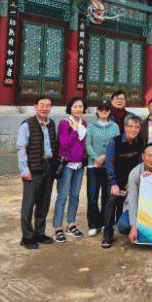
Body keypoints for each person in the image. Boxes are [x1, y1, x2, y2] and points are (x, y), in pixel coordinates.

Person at [17, 97, 58, 249]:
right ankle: (27, 237)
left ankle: (39, 233)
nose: (44, 108)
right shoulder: (27, 125)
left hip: (48, 167)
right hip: (33, 169)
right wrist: (24, 170)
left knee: (43, 203)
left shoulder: (51, 124)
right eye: (41, 105)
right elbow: (21, 148)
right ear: (35, 107)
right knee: (29, 204)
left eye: (48, 105)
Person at [102, 115, 144, 248]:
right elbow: (109, 164)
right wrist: (113, 183)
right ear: (125, 127)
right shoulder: (114, 142)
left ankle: (126, 228)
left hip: (131, 181)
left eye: (136, 127)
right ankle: (107, 234)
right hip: (115, 180)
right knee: (112, 201)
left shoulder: (140, 142)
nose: (133, 130)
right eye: (130, 126)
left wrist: (133, 181)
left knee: (130, 203)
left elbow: (140, 164)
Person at [53, 97, 88, 242]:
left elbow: (83, 144)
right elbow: (63, 144)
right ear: (70, 108)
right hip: (67, 165)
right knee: (62, 196)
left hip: (79, 165)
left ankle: (71, 224)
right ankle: (57, 227)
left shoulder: (84, 123)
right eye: (75, 106)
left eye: (80, 106)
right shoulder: (64, 123)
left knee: (75, 195)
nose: (78, 109)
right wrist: (73, 131)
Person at [120, 144, 152, 245]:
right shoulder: (134, 173)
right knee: (123, 226)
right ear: (143, 156)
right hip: (138, 206)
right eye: (149, 156)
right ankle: (137, 231)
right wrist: (133, 226)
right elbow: (132, 201)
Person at [85, 99, 120, 237]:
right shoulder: (91, 126)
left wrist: (106, 157)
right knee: (92, 196)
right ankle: (93, 224)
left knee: (107, 196)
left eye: (106, 110)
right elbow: (88, 144)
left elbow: (117, 144)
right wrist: (96, 158)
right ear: (97, 111)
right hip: (94, 166)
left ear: (109, 111)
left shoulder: (114, 126)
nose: (104, 112)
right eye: (101, 109)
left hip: (109, 166)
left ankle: (106, 221)